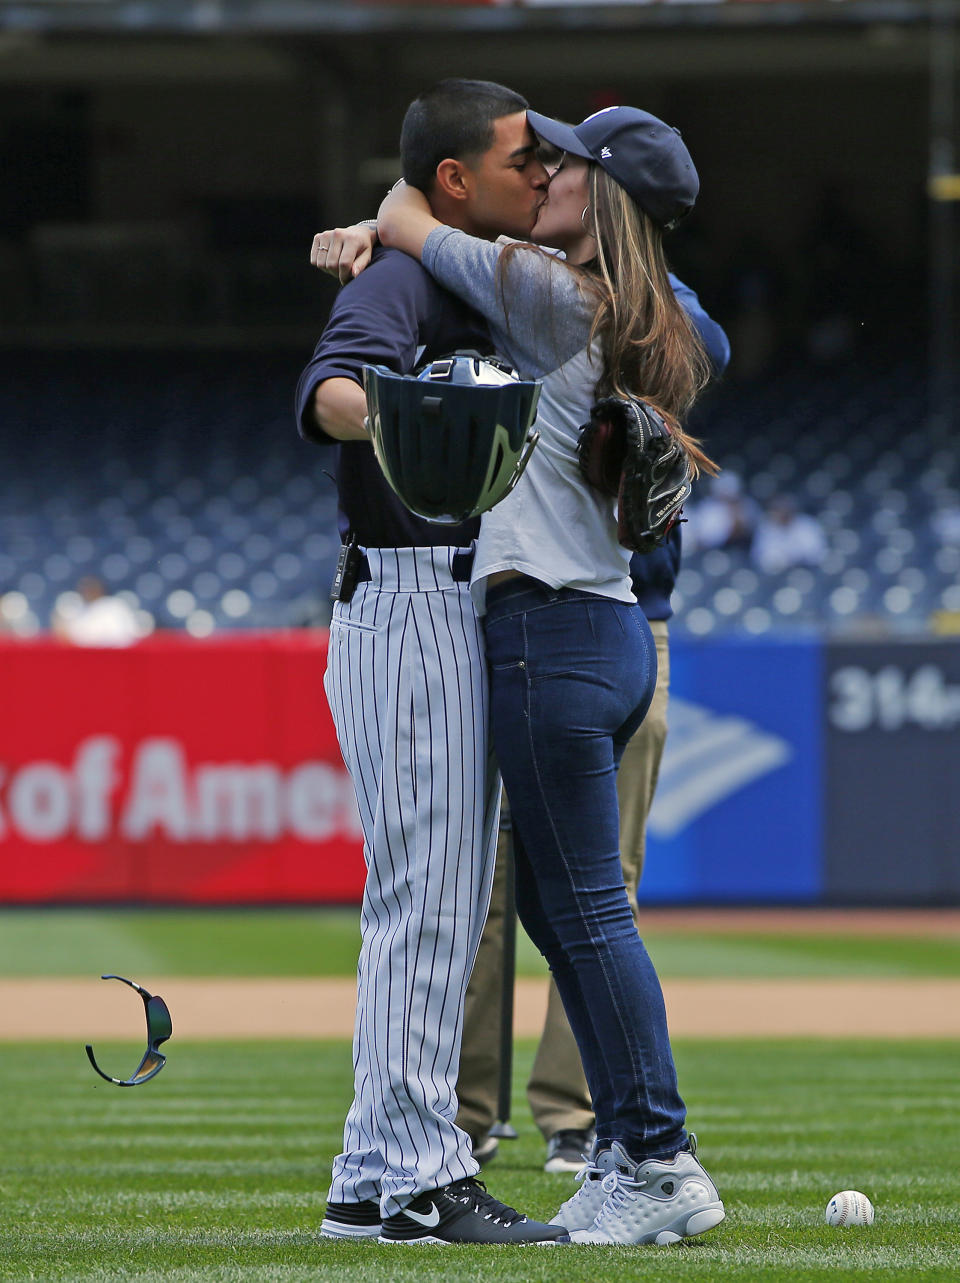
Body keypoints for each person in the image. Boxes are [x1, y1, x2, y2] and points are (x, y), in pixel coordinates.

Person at [374, 104, 725, 1245]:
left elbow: (405, 216)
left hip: (551, 632)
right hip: (610, 630)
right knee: (559, 900)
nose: (544, 172)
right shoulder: (650, 314)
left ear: (600, 193)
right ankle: (625, 1142)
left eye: (563, 162)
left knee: (581, 905)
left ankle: (660, 1153)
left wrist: (363, 227)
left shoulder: (555, 291)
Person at [294, 78, 567, 1247]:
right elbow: (327, 390)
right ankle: (419, 1178)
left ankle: (371, 1173)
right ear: (455, 180)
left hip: (442, 601)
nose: (541, 172)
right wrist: (402, 412)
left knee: (428, 903)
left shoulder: (456, 258)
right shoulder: (407, 274)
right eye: (521, 158)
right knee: (433, 904)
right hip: (412, 597)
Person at [456, 298, 730, 1176]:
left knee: (598, 883)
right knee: (491, 886)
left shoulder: (643, 302)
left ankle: (582, 1119)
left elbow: (704, 345)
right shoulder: (519, 287)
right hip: (508, 609)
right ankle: (464, 1112)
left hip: (619, 613)